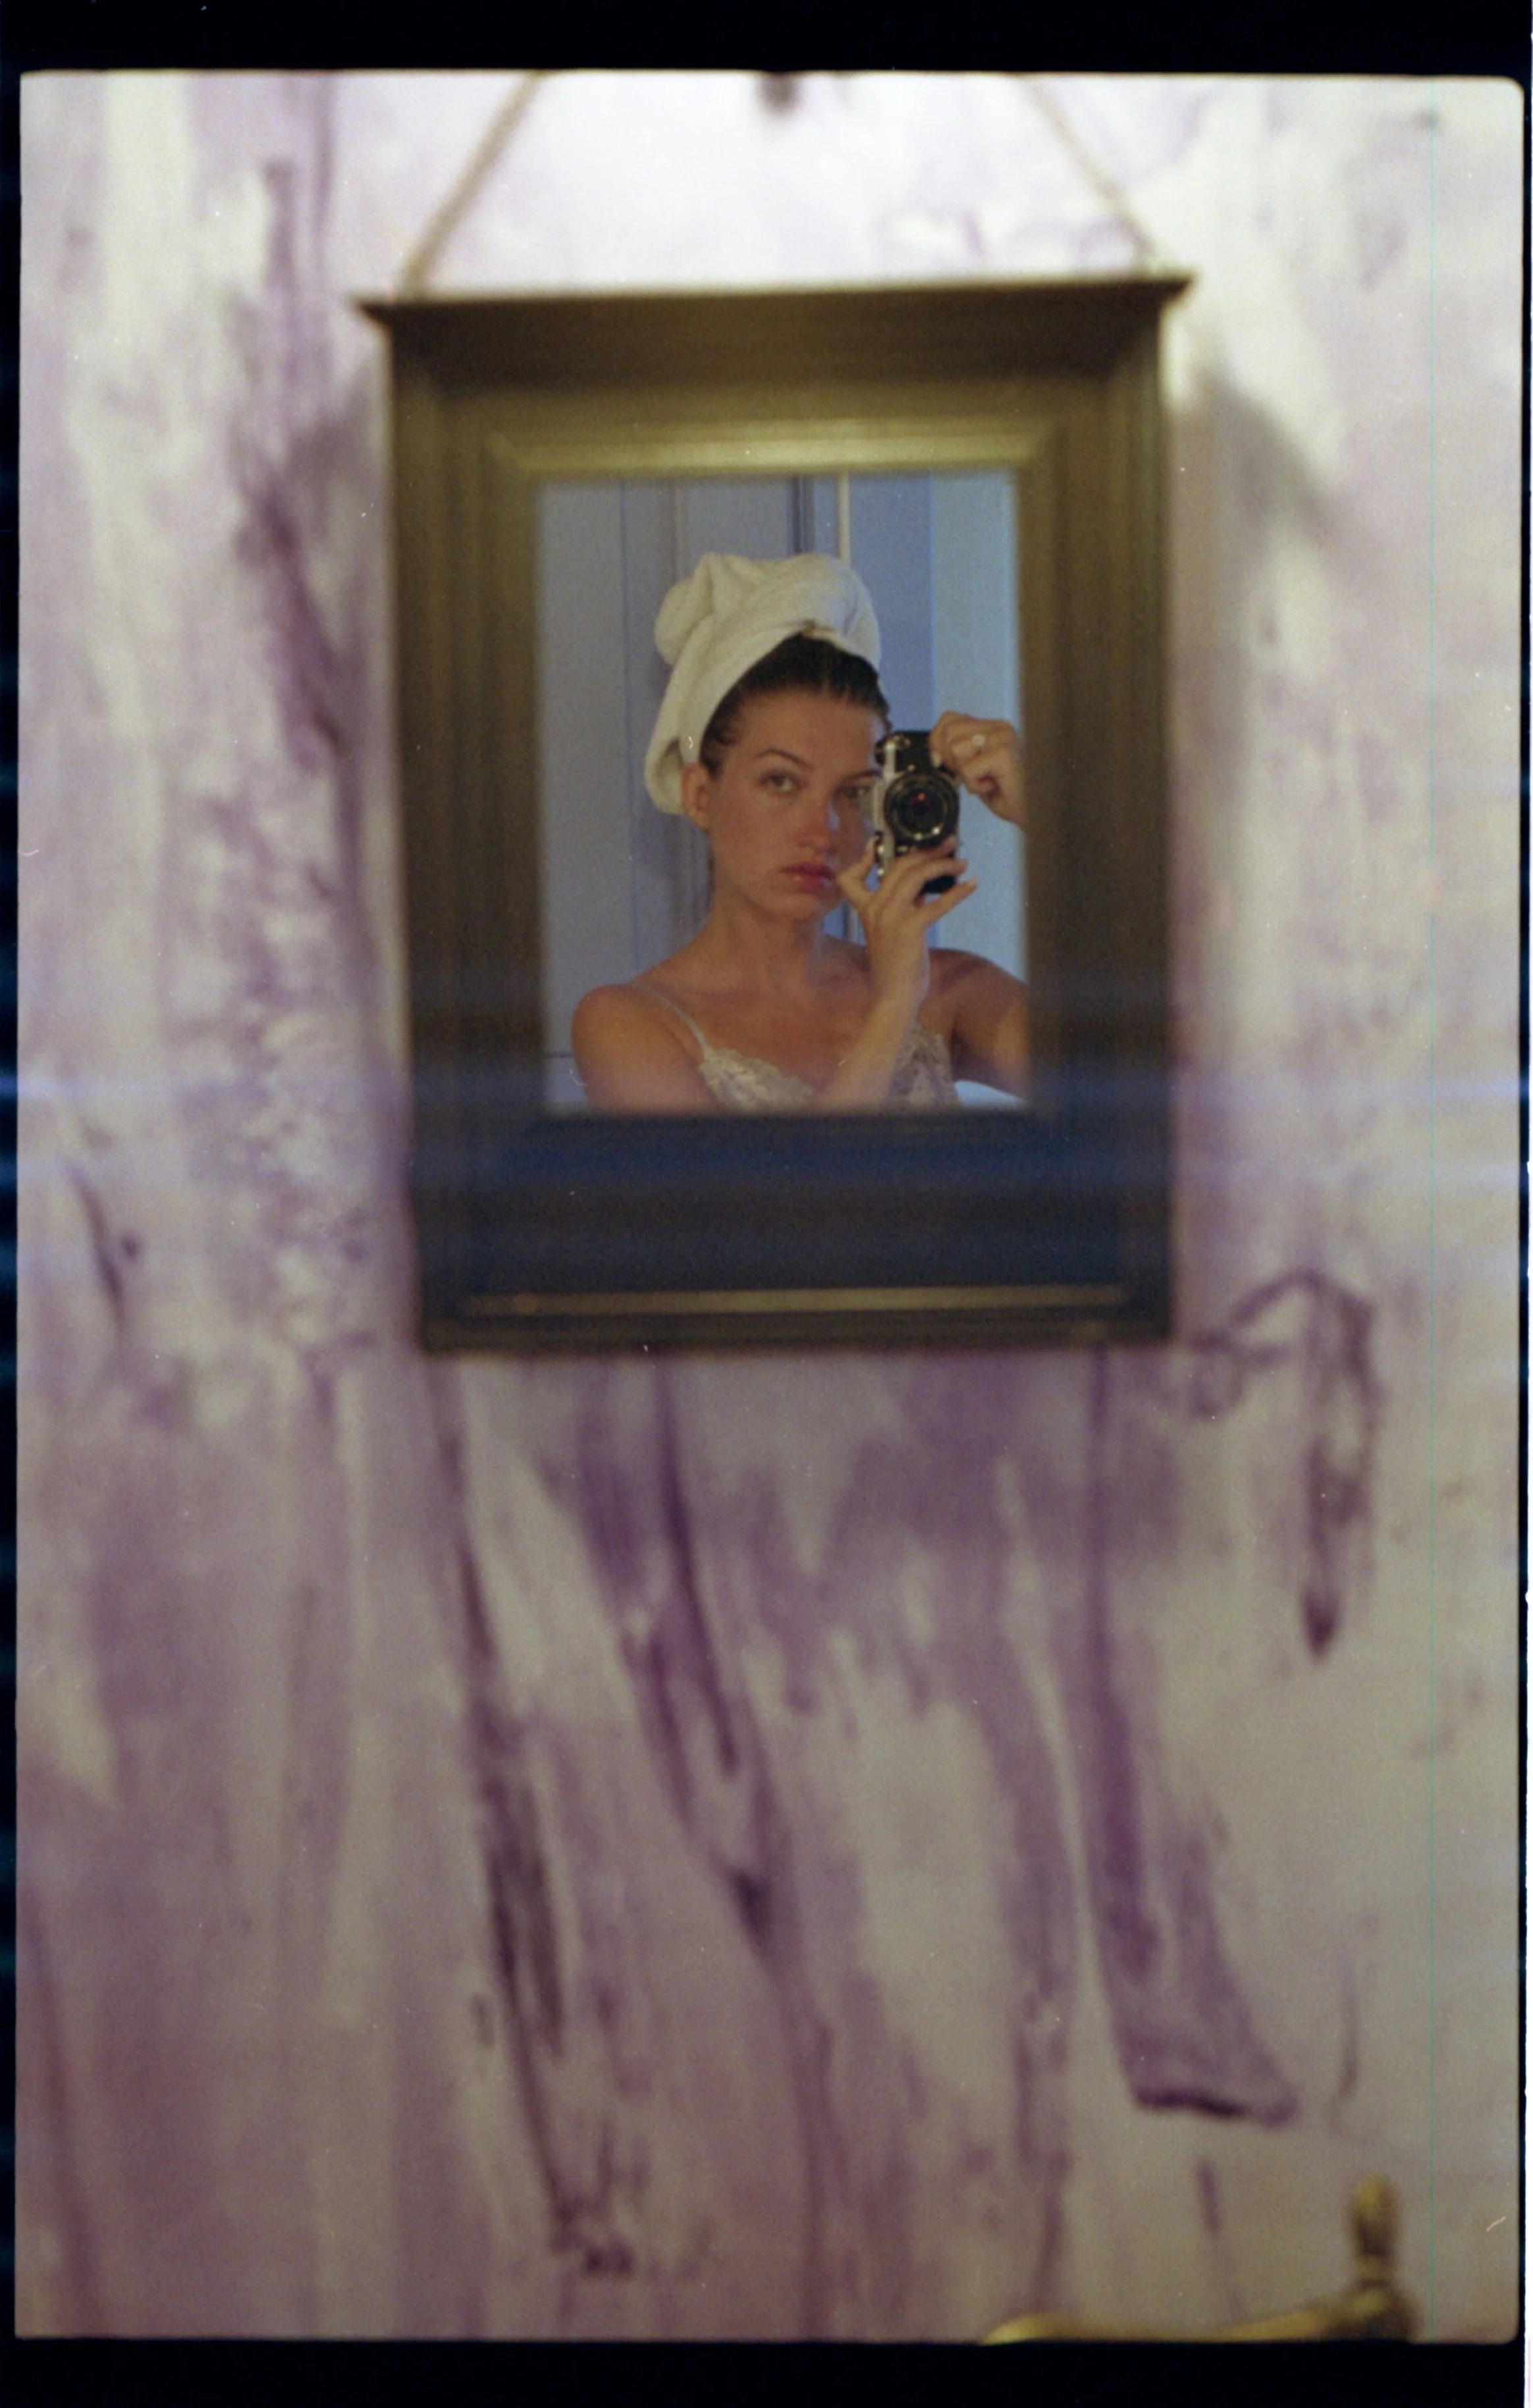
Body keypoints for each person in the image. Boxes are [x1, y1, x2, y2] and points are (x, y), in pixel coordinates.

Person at [572, 551, 1027, 1112]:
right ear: (700, 795)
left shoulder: (952, 991)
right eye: (781, 782)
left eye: (854, 793)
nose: (824, 829)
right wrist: (892, 1010)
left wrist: (1045, 808)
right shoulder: (628, 1023)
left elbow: (1149, 1084)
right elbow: (767, 1202)